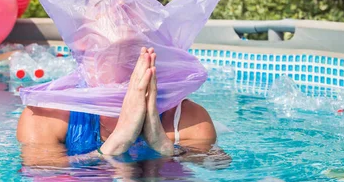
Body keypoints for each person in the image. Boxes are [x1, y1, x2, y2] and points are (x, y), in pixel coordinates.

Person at [17, 46, 220, 167]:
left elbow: (218, 164)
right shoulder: (46, 116)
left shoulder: (187, 118)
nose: (123, 61)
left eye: (133, 50)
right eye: (110, 49)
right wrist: (115, 144)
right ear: (85, 56)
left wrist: (162, 145)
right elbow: (42, 175)